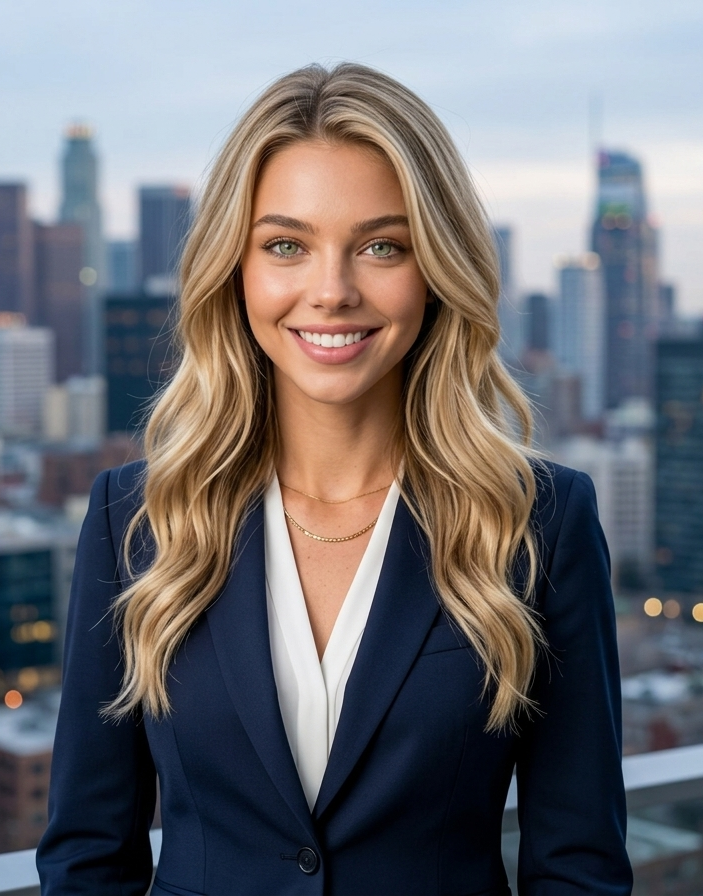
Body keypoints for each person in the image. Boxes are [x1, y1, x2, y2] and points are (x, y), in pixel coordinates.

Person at [36, 63, 631, 895]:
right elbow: (88, 857)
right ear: (234, 270)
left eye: (381, 246)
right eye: (286, 245)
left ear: (437, 270)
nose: (332, 291)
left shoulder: (540, 522)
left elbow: (578, 868)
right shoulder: (136, 519)